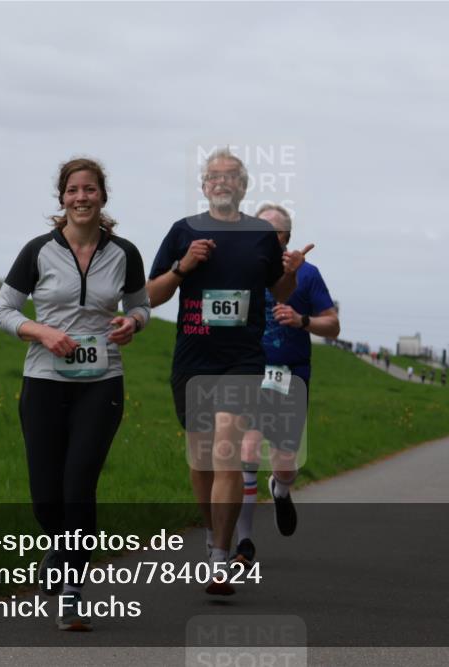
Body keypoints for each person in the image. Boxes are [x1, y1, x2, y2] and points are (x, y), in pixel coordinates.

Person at [0, 158, 150, 631]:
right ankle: (59, 550)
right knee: (46, 497)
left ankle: (71, 589)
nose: (81, 197)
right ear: (61, 198)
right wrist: (39, 331)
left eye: (90, 189)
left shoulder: (124, 253)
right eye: (73, 190)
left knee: (78, 486)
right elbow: (3, 311)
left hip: (101, 384)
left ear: (103, 196)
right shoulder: (38, 251)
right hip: (43, 382)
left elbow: (141, 306)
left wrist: (132, 324)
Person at [146, 149, 309, 595]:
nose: (221, 183)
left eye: (230, 177)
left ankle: (221, 559)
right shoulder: (184, 231)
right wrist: (185, 266)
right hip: (193, 358)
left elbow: (279, 289)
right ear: (203, 187)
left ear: (242, 186)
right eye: (213, 177)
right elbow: (149, 295)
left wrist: (290, 274)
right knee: (201, 459)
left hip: (242, 359)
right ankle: (212, 532)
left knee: (225, 450)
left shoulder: (260, 235)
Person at [232, 204, 340, 568]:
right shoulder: (244, 269)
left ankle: (280, 488)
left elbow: (333, 325)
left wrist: (301, 319)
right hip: (250, 370)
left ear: (285, 238)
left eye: (268, 232)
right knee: (247, 449)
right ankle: (244, 545)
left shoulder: (308, 275)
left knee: (284, 462)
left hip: (289, 374)